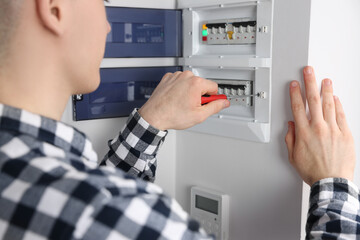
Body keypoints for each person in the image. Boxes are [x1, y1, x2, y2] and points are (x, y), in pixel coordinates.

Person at [0, 0, 358, 239]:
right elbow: (99, 206)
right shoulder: (116, 213)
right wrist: (333, 182)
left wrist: (151, 121)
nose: (109, 27)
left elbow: (86, 196)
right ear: (54, 9)